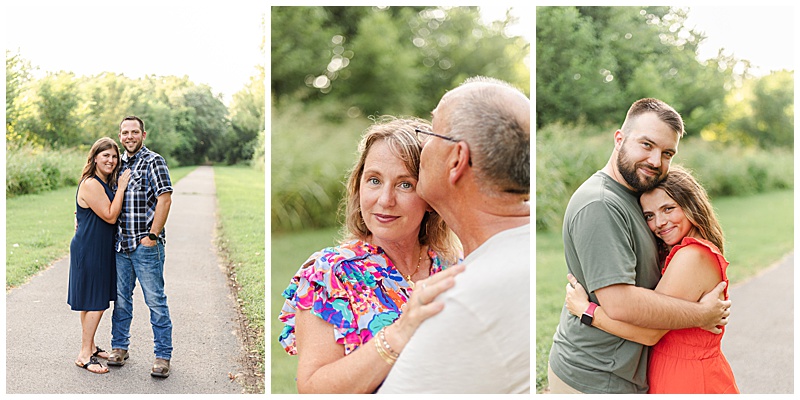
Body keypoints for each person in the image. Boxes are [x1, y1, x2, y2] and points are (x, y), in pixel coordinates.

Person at [547, 98, 732, 394]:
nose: (656, 161)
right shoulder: (601, 204)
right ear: (619, 139)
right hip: (596, 376)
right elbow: (621, 304)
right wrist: (701, 314)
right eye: (646, 145)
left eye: (667, 153)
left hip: (625, 374)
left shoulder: (637, 195)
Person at [278, 116, 464, 393]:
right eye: (374, 180)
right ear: (358, 186)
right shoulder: (329, 273)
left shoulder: (451, 266)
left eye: (405, 184)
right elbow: (313, 389)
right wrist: (399, 333)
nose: (385, 200)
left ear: (430, 196)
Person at [378, 76, 531, 393]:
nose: (423, 147)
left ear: (457, 159)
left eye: (430, 132)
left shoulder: (459, 301)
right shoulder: (527, 249)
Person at [564, 165, 739, 393]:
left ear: (691, 205)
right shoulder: (680, 252)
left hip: (690, 381)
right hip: (675, 372)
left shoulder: (692, 256)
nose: (659, 223)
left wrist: (586, 311)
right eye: (650, 215)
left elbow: (649, 332)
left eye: (668, 209)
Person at [107, 116, 174, 378]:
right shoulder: (117, 164)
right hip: (121, 246)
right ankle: (119, 347)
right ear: (120, 135)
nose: (129, 137)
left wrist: (153, 235)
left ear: (143, 135)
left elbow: (165, 199)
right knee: (122, 301)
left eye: (135, 132)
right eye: (125, 132)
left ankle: (162, 356)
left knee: (155, 301)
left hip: (146, 246)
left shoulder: (153, 161)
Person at [69, 137, 131, 374]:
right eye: (106, 155)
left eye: (115, 156)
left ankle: (91, 347)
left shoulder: (102, 182)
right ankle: (84, 355)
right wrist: (123, 188)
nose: (111, 160)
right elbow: (109, 215)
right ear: (95, 157)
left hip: (97, 246)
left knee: (90, 300)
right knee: (96, 301)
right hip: (90, 248)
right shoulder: (92, 183)